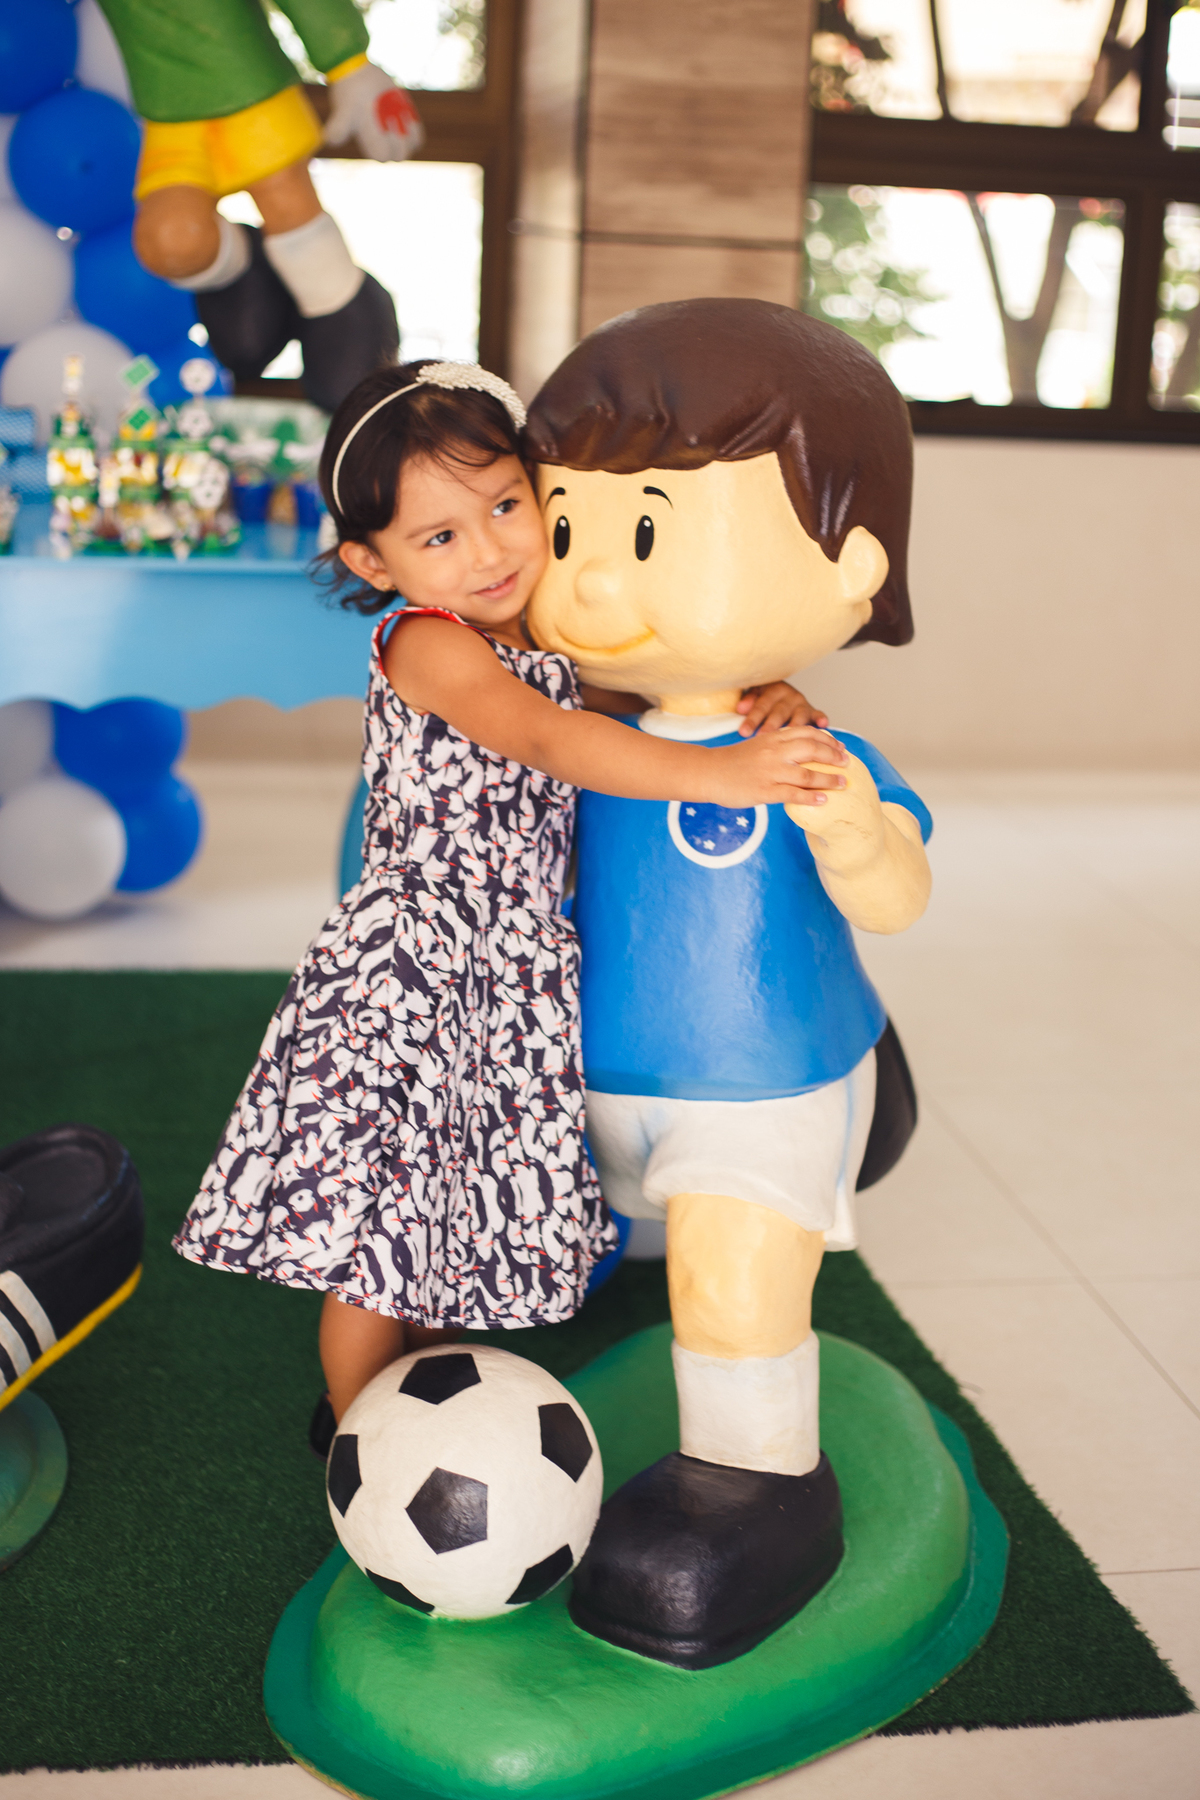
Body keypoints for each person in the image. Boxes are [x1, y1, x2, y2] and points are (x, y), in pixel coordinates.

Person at [173, 359, 843, 1440]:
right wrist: (719, 776)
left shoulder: (546, 637)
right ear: (370, 560)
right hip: (415, 968)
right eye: (439, 537)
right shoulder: (426, 642)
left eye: (504, 508)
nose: (487, 552)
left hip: (511, 966)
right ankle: (356, 1430)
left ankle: (431, 1399)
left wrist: (757, 699)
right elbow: (545, 735)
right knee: (383, 1237)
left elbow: (666, 698)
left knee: (452, 1204)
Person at [523, 298, 933, 1669]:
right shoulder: (564, 729)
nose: (585, 579)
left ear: (852, 564)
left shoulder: (806, 756)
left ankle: (758, 1479)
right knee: (568, 1225)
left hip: (756, 1092)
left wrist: (851, 827)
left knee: (729, 1269)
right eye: (565, 525)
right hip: (582, 1083)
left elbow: (899, 895)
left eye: (643, 530)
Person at [95, 0, 422, 412]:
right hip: (168, 110)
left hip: (253, 93)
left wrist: (348, 62)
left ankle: (345, 329)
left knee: (297, 226)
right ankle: (248, 264)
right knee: (169, 244)